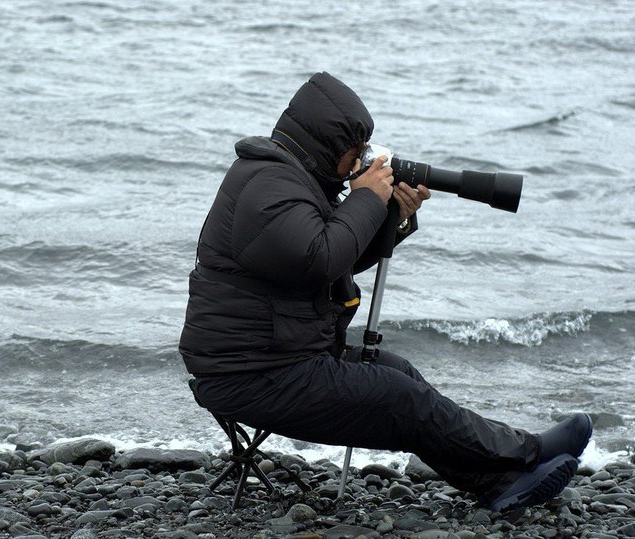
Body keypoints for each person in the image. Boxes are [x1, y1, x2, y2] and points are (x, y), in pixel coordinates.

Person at [179, 72, 592, 512]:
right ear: (326, 144)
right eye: (354, 153)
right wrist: (367, 200)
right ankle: (529, 451)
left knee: (401, 376)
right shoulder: (268, 186)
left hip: (279, 357)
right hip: (249, 374)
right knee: (400, 399)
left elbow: (332, 262)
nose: (358, 164)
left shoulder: (288, 179)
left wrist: (393, 215)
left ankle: (499, 484)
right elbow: (320, 257)